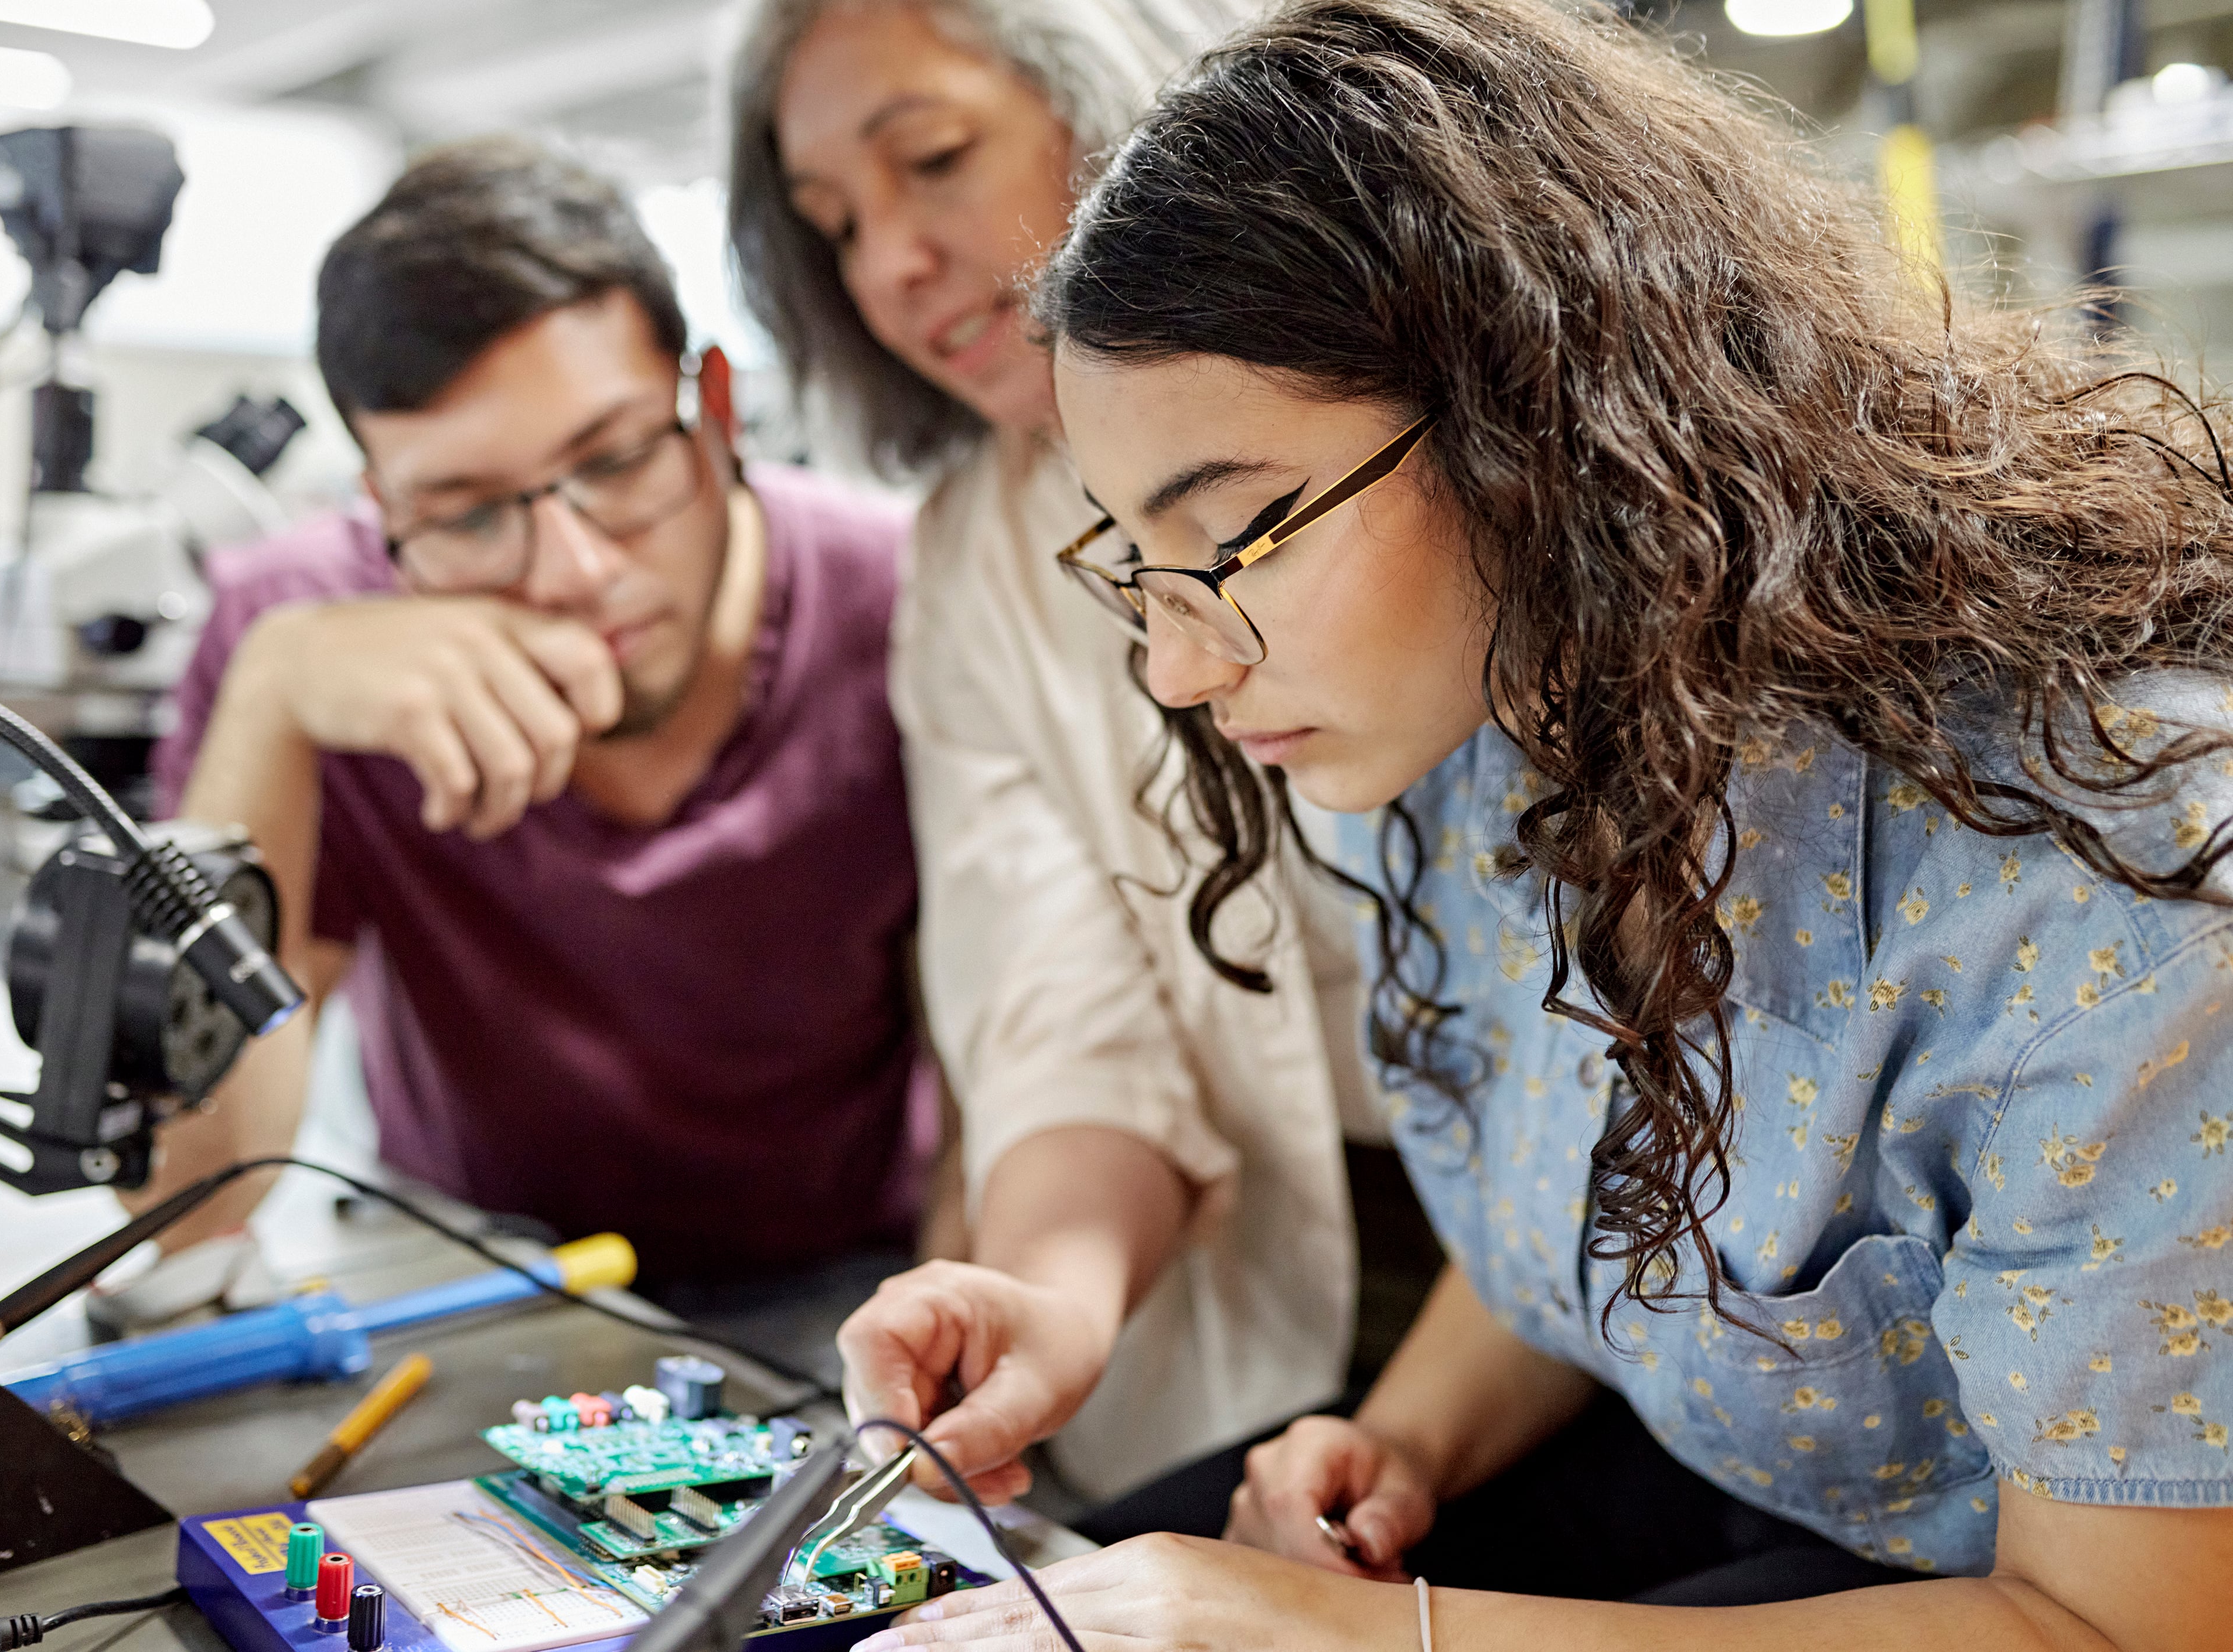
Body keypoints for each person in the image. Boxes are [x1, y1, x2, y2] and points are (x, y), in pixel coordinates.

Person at [848, 0, 2233, 1645]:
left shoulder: (2116, 899)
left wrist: (1357, 1633)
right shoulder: (1470, 734)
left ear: (1548, 419)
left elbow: (2116, 1625)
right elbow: (1612, 1203)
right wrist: (1403, 1442)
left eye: (1232, 537)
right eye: (1133, 561)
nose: (1173, 658)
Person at [728, 0, 1440, 1503]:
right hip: (1280, 1283)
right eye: (835, 224)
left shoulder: (1433, 435)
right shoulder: (976, 558)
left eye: (932, 159)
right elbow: (1055, 999)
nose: (891, 265)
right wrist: (1049, 1294)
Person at [137, 137, 933, 1363]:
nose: (574, 572)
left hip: (851, 1295)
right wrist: (273, 702)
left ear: (713, 407)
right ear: (381, 502)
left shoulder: (908, 601)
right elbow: (193, 1198)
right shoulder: (302, 633)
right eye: (465, 513)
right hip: (463, 1279)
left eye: (615, 461)